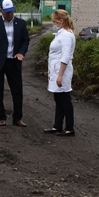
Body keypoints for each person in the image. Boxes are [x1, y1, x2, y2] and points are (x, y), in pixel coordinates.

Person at [0, 0, 30, 127]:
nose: (10, 14)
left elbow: (26, 40)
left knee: (17, 90)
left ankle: (17, 118)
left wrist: (21, 52)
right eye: (7, 12)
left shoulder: (20, 24)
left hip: (14, 61)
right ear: (1, 11)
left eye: (11, 12)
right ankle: (1, 117)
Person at [44, 9, 76, 137]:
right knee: (58, 99)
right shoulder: (61, 33)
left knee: (65, 99)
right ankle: (57, 126)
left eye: (55, 21)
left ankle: (69, 128)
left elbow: (66, 56)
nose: (53, 24)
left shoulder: (67, 35)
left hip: (62, 71)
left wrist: (60, 75)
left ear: (61, 21)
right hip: (56, 70)